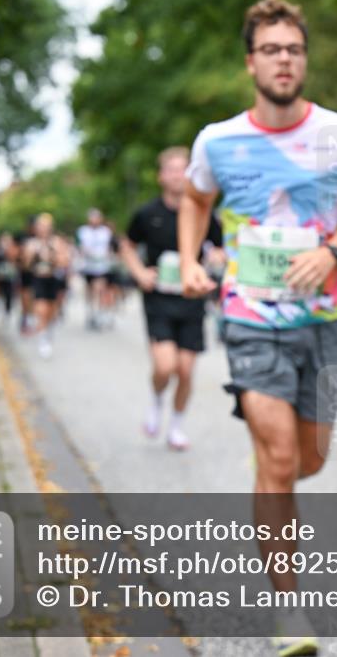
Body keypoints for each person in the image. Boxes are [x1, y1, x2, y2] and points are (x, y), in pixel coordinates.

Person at [179, 0, 337, 655]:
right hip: (249, 317)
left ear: (305, 58)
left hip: (326, 317)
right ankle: (288, 609)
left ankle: (278, 466)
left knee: (309, 459)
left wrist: (331, 251)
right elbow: (195, 197)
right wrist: (187, 260)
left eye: (293, 48)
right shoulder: (217, 140)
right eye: (271, 49)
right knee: (277, 457)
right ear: (251, 63)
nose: (284, 59)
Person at [119, 146, 223, 450]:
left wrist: (216, 257)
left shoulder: (204, 214)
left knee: (186, 370)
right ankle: (155, 401)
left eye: (184, 169)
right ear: (161, 176)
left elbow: (219, 247)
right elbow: (126, 245)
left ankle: (176, 426)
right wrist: (139, 273)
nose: (178, 175)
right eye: (172, 169)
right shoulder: (147, 213)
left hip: (192, 300)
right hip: (159, 300)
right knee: (165, 367)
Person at [22, 213, 70, 359]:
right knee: (41, 309)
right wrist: (30, 256)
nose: (42, 229)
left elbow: (65, 261)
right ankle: (43, 339)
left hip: (53, 279)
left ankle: (48, 332)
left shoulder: (57, 242)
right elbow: (25, 264)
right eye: (40, 226)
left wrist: (53, 257)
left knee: (51, 311)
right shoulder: (31, 244)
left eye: (45, 227)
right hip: (39, 279)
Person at [77, 208, 116, 330]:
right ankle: (91, 312)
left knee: (99, 289)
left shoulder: (106, 232)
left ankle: (99, 313)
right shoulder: (83, 231)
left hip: (102, 266)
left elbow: (110, 247)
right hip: (88, 266)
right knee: (90, 291)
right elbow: (80, 247)